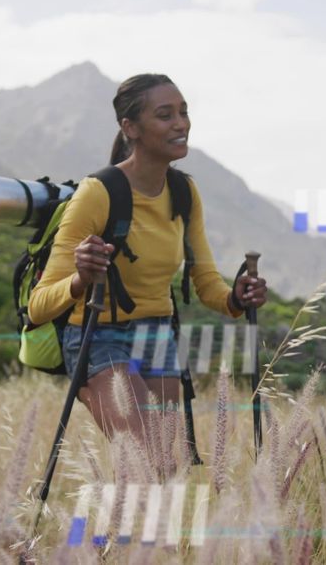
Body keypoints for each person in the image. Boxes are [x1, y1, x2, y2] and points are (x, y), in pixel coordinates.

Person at [27, 73, 267, 446]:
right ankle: (89, 385)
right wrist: (81, 278)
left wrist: (237, 298)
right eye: (165, 115)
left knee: (164, 468)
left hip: (157, 335)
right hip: (98, 335)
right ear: (130, 127)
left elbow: (206, 285)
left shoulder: (184, 192)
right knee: (141, 459)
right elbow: (38, 307)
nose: (180, 124)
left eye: (183, 113)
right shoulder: (97, 193)